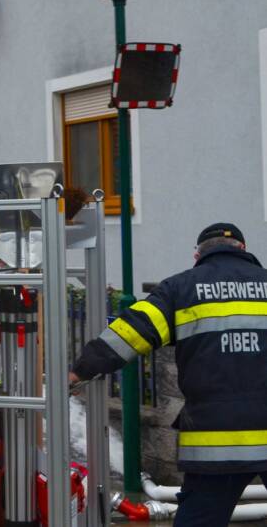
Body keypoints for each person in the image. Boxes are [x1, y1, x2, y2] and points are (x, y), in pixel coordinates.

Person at [70, 223, 267, 526]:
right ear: (243, 249)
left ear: (197, 255)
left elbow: (130, 334)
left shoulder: (181, 289)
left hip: (215, 443)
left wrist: (78, 371)